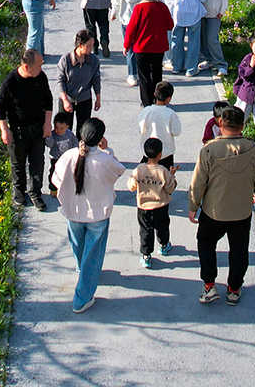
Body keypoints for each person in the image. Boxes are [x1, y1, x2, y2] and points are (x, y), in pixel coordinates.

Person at [189, 105, 255, 306]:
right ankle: (233, 289)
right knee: (239, 250)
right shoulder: (252, 149)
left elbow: (198, 183)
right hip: (241, 211)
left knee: (206, 243)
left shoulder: (209, 150)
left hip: (213, 210)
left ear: (220, 124)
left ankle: (209, 285)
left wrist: (193, 205)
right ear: (243, 126)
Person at [51, 118, 126, 314]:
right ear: (100, 138)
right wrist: (107, 151)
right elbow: (118, 171)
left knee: (78, 244)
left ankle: (81, 268)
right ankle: (82, 298)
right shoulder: (104, 159)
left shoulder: (69, 156)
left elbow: (55, 179)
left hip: (73, 212)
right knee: (93, 255)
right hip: (97, 215)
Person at [0, 47, 53, 210]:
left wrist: (47, 123)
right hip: (17, 130)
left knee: (37, 162)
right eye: (39, 65)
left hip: (37, 127)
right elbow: (0, 107)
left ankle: (35, 193)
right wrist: (4, 129)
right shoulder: (11, 82)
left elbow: (48, 100)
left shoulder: (40, 77)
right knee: (18, 164)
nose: (41, 69)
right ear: (27, 66)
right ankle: (19, 193)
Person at [123, 0, 173, 108]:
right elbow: (170, 25)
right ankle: (158, 100)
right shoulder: (162, 7)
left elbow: (131, 29)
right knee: (157, 74)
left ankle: (146, 103)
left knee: (144, 77)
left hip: (142, 47)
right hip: (158, 47)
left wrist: (126, 45)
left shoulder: (139, 8)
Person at [129, 136, 177, 267]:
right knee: (162, 227)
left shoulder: (138, 170)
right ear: (160, 154)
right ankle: (163, 245)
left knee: (145, 230)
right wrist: (172, 175)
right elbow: (170, 188)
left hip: (143, 207)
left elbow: (131, 186)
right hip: (161, 206)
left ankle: (146, 255)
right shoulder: (163, 171)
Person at [164, 0, 208, 76]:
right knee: (193, 43)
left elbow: (170, 0)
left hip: (178, 16)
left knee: (176, 42)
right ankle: (191, 68)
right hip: (194, 15)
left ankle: (177, 66)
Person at [57, 29, 102, 136]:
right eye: (89, 46)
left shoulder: (93, 60)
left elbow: (96, 80)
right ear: (80, 45)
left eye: (93, 45)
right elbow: (60, 81)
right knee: (64, 132)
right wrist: (65, 100)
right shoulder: (66, 60)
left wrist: (98, 98)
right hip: (67, 100)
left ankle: (80, 151)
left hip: (85, 100)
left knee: (83, 132)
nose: (91, 49)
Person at [192, 0, 230, 78]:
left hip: (215, 14)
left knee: (212, 39)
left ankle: (221, 64)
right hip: (203, 12)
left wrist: (222, 11)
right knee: (203, 38)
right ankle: (208, 60)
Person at [110, 0, 146, 88]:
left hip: (126, 21)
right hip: (141, 22)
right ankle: (143, 72)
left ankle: (132, 74)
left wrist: (113, 14)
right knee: (141, 47)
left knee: (129, 47)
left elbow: (116, 1)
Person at [136, 80, 182, 169]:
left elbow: (140, 129)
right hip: (166, 155)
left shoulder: (146, 111)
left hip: (148, 154)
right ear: (169, 98)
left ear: (154, 94)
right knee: (165, 179)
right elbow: (176, 131)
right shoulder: (171, 114)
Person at [44, 115, 78, 198]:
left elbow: (75, 143)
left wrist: (74, 152)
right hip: (56, 159)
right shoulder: (53, 134)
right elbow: (50, 144)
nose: (58, 130)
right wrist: (48, 136)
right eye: (56, 127)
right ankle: (53, 188)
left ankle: (67, 188)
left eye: (61, 128)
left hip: (67, 159)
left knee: (68, 174)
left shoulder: (70, 134)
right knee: (53, 173)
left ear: (67, 127)